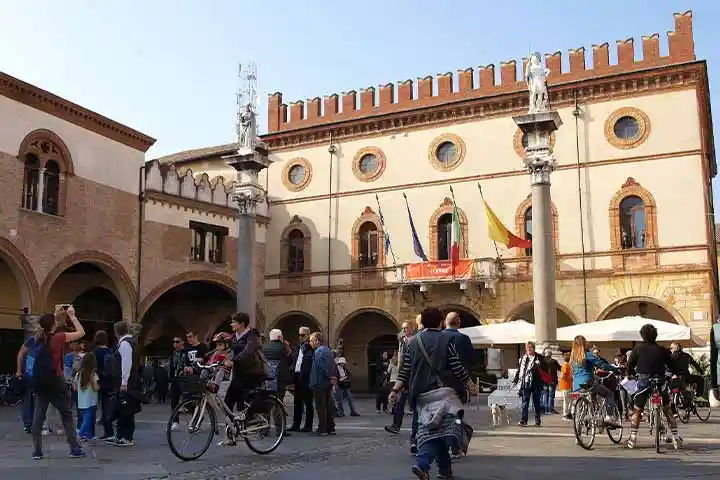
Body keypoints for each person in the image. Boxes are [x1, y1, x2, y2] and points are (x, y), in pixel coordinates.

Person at [390, 308, 468, 480]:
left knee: (431, 430)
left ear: (422, 323)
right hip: (444, 395)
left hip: (422, 396)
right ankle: (422, 464)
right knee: (443, 433)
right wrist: (467, 383)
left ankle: (444, 471)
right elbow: (456, 366)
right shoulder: (447, 339)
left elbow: (405, 370)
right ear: (440, 322)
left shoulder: (412, 342)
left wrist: (395, 390)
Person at [31, 306, 86, 460]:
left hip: (41, 381)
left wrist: (54, 315)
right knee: (66, 414)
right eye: (55, 320)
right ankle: (74, 448)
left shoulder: (39, 338)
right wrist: (72, 316)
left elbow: (44, 326)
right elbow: (81, 333)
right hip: (56, 380)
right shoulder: (59, 337)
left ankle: (37, 451)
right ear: (54, 324)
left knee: (38, 416)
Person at [627, 324, 682, 449]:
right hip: (659, 380)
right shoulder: (662, 350)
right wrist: (676, 373)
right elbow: (672, 364)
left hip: (644, 380)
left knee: (637, 410)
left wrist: (629, 374)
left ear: (642, 335)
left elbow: (630, 364)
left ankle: (633, 438)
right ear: (655, 336)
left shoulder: (637, 349)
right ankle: (675, 437)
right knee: (667, 409)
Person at [570, 335, 619, 427]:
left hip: (576, 385)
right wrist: (614, 369)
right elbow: (600, 364)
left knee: (588, 397)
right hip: (588, 382)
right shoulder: (587, 354)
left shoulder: (573, 357)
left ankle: (581, 425)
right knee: (609, 394)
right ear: (584, 343)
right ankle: (609, 417)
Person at [224, 312, 266, 417]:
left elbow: (248, 351)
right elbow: (227, 350)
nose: (231, 324)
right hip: (239, 373)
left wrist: (234, 361)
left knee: (245, 402)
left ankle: (249, 426)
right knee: (228, 401)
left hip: (251, 373)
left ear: (242, 323)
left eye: (234, 322)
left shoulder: (252, 335)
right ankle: (233, 427)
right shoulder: (235, 337)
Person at [309, 332, 337, 436]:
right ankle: (331, 427)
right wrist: (333, 377)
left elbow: (321, 366)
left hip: (319, 382)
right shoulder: (328, 350)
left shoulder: (319, 351)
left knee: (321, 405)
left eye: (311, 341)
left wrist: (329, 376)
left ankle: (323, 428)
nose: (310, 343)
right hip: (326, 383)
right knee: (328, 404)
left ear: (317, 341)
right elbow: (332, 365)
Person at [512, 341, 546, 427]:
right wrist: (516, 380)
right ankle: (524, 420)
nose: (528, 349)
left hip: (536, 383)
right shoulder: (523, 358)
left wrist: (538, 368)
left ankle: (537, 421)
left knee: (536, 403)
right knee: (525, 402)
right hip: (525, 383)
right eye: (527, 347)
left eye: (530, 347)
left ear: (534, 348)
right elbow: (520, 370)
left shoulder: (539, 358)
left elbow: (544, 370)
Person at [290, 326, 315, 432]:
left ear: (308, 336)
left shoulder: (311, 349)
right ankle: (296, 424)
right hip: (297, 377)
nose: (300, 337)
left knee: (308, 402)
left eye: (303, 335)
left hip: (306, 377)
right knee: (297, 402)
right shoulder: (298, 348)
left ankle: (308, 426)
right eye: (299, 335)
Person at [93, 330, 114, 440]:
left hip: (96, 382)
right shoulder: (110, 352)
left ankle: (89, 431)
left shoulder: (95, 352)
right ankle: (108, 431)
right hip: (109, 382)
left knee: (91, 407)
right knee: (107, 407)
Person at [262, 329, 293, 403]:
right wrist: (288, 347)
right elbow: (290, 361)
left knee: (268, 399)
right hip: (280, 378)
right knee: (279, 399)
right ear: (279, 337)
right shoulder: (284, 347)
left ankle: (268, 413)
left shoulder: (264, 347)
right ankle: (278, 413)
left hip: (267, 378)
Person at [75, 352, 99, 441]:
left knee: (85, 418)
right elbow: (96, 388)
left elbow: (75, 387)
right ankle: (80, 434)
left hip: (81, 401)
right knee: (88, 420)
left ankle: (90, 436)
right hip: (91, 400)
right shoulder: (93, 375)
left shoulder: (79, 374)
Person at [542, 348, 561, 415]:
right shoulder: (554, 361)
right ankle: (551, 409)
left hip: (545, 381)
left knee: (546, 395)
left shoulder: (542, 361)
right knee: (551, 396)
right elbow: (560, 368)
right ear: (551, 354)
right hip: (552, 381)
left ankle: (546, 410)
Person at [559, 352, 573, 420]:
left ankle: (568, 413)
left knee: (568, 400)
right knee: (566, 401)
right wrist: (570, 378)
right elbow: (562, 376)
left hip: (568, 385)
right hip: (566, 385)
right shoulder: (566, 365)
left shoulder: (567, 365)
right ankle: (565, 414)